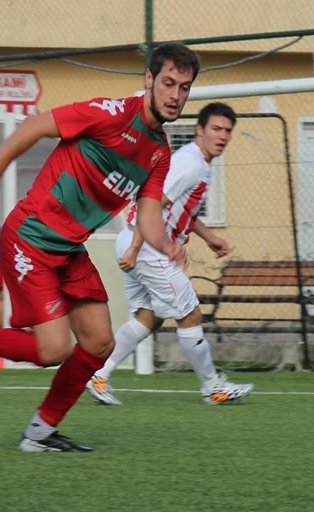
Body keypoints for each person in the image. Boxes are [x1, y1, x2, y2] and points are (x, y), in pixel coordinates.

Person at [0, 42, 198, 453]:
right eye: (168, 83)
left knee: (99, 343)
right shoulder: (111, 114)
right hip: (31, 238)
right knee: (53, 349)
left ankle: (39, 433)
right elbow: (35, 125)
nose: (175, 95)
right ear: (149, 79)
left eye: (184, 87)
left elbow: (147, 214)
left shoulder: (159, 152)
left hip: (70, 250)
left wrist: (168, 245)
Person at [86, 103, 254, 406]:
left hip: (135, 242)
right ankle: (212, 387)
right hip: (147, 247)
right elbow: (152, 206)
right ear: (199, 130)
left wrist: (210, 237)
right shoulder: (189, 163)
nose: (223, 136)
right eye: (216, 129)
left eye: (227, 130)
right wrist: (138, 248)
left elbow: (179, 206)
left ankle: (98, 373)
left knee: (148, 318)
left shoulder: (197, 162)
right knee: (190, 314)